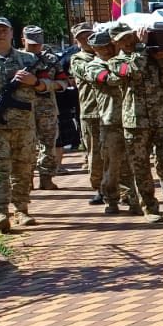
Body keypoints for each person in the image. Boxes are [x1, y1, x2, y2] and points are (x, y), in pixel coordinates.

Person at [105, 23, 163, 223]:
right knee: (141, 168)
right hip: (135, 122)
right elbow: (133, 71)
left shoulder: (150, 57)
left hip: (162, 118)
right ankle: (150, 208)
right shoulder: (115, 62)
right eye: (122, 40)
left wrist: (162, 62)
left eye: (129, 37)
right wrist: (143, 48)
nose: (127, 42)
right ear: (115, 43)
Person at [0, 16, 42, 232]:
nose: (1, 34)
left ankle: (21, 209)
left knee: (23, 169)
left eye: (4, 30)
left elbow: (53, 84)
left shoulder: (28, 59)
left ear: (12, 33)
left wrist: (35, 82)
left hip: (24, 126)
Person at [82, 26, 137, 213]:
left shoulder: (123, 60)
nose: (106, 50)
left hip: (131, 119)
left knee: (133, 163)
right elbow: (111, 79)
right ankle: (111, 199)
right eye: (101, 48)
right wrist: (128, 68)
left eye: (108, 46)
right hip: (110, 121)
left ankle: (132, 198)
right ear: (94, 49)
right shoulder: (93, 66)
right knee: (112, 164)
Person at [20, 27, 64, 188]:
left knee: (48, 144)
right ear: (23, 41)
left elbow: (63, 82)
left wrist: (44, 85)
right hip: (23, 109)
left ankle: (46, 178)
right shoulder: (17, 59)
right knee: (25, 145)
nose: (36, 47)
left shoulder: (50, 59)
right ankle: (27, 179)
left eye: (38, 44)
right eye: (31, 44)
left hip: (47, 109)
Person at [67, 23, 103, 203]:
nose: (86, 40)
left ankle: (122, 188)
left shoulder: (107, 54)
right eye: (81, 37)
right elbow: (91, 74)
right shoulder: (78, 59)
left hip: (112, 110)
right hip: (91, 111)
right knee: (95, 154)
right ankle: (100, 188)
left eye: (89, 35)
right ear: (76, 41)